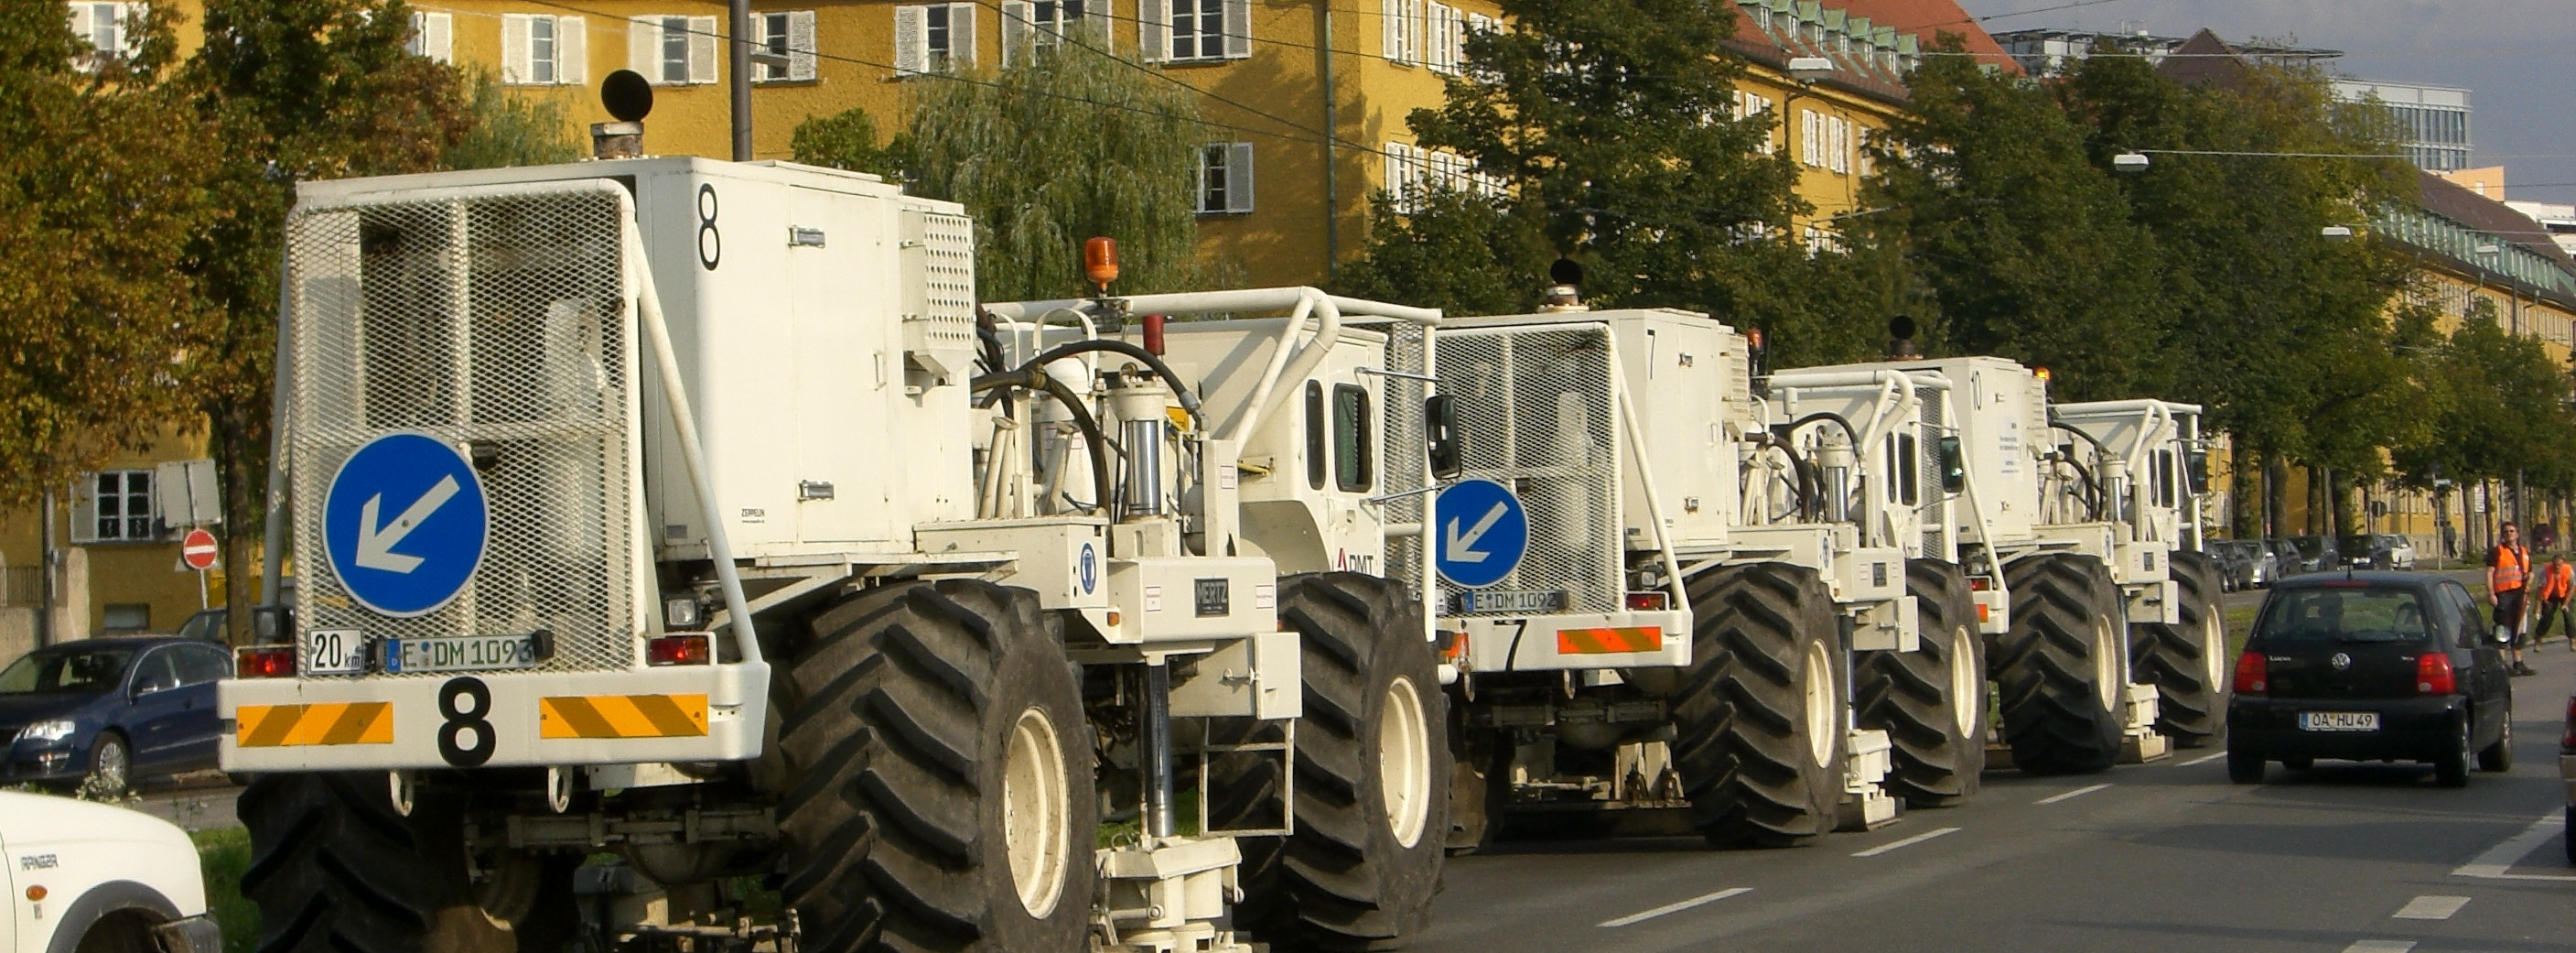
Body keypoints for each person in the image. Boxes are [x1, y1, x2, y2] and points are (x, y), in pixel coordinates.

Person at [2488, 523, 2536, 676]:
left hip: (2521, 594)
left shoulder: (2524, 552)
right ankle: (2502, 663)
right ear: (2502, 535)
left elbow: (2531, 572)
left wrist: (2529, 583)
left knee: (2520, 627)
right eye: (2506, 532)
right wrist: (2491, 593)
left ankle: (2518, 661)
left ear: (2517, 533)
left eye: (2512, 531)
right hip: (2504, 594)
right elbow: (2490, 573)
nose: (2509, 534)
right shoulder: (2497, 552)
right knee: (2503, 627)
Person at [2542, 554, 2576, 651]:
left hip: (2565, 594)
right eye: (2555, 565)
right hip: (2550, 595)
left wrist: (2565, 604)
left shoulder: (2569, 571)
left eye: (2559, 565)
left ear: (2563, 564)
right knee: (2547, 617)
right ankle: (2538, 638)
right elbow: (2541, 588)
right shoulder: (2546, 571)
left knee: (2569, 617)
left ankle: (2572, 641)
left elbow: (2572, 588)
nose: (2557, 567)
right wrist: (2538, 605)